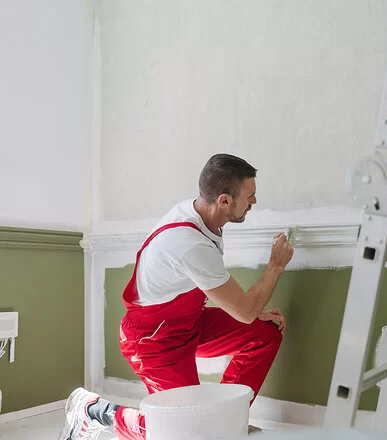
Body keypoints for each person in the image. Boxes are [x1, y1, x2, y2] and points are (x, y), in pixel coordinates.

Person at [59, 154, 294, 440]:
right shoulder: (188, 242)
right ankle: (94, 411)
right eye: (250, 195)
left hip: (189, 324)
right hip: (153, 341)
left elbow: (232, 305)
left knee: (265, 333)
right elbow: (243, 311)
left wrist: (249, 309)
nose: (254, 201)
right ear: (224, 201)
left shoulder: (202, 216)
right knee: (184, 433)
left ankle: (226, 419)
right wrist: (275, 266)